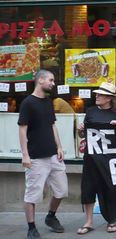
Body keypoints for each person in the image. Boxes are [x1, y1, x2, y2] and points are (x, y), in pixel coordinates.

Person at [18, 70, 68, 239]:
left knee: (61, 191)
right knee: (32, 194)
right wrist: (25, 155)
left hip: (53, 155)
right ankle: (31, 227)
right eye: (51, 80)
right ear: (40, 80)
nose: (53, 83)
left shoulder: (48, 102)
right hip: (36, 157)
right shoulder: (28, 103)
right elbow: (22, 129)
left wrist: (59, 147)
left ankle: (51, 216)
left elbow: (52, 125)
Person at [77, 81, 116, 235]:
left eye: (100, 94)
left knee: (109, 188)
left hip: (110, 157)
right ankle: (89, 221)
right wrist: (80, 130)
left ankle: (111, 220)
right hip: (91, 157)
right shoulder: (91, 111)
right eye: (97, 94)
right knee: (88, 188)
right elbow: (83, 135)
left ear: (109, 98)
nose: (97, 96)